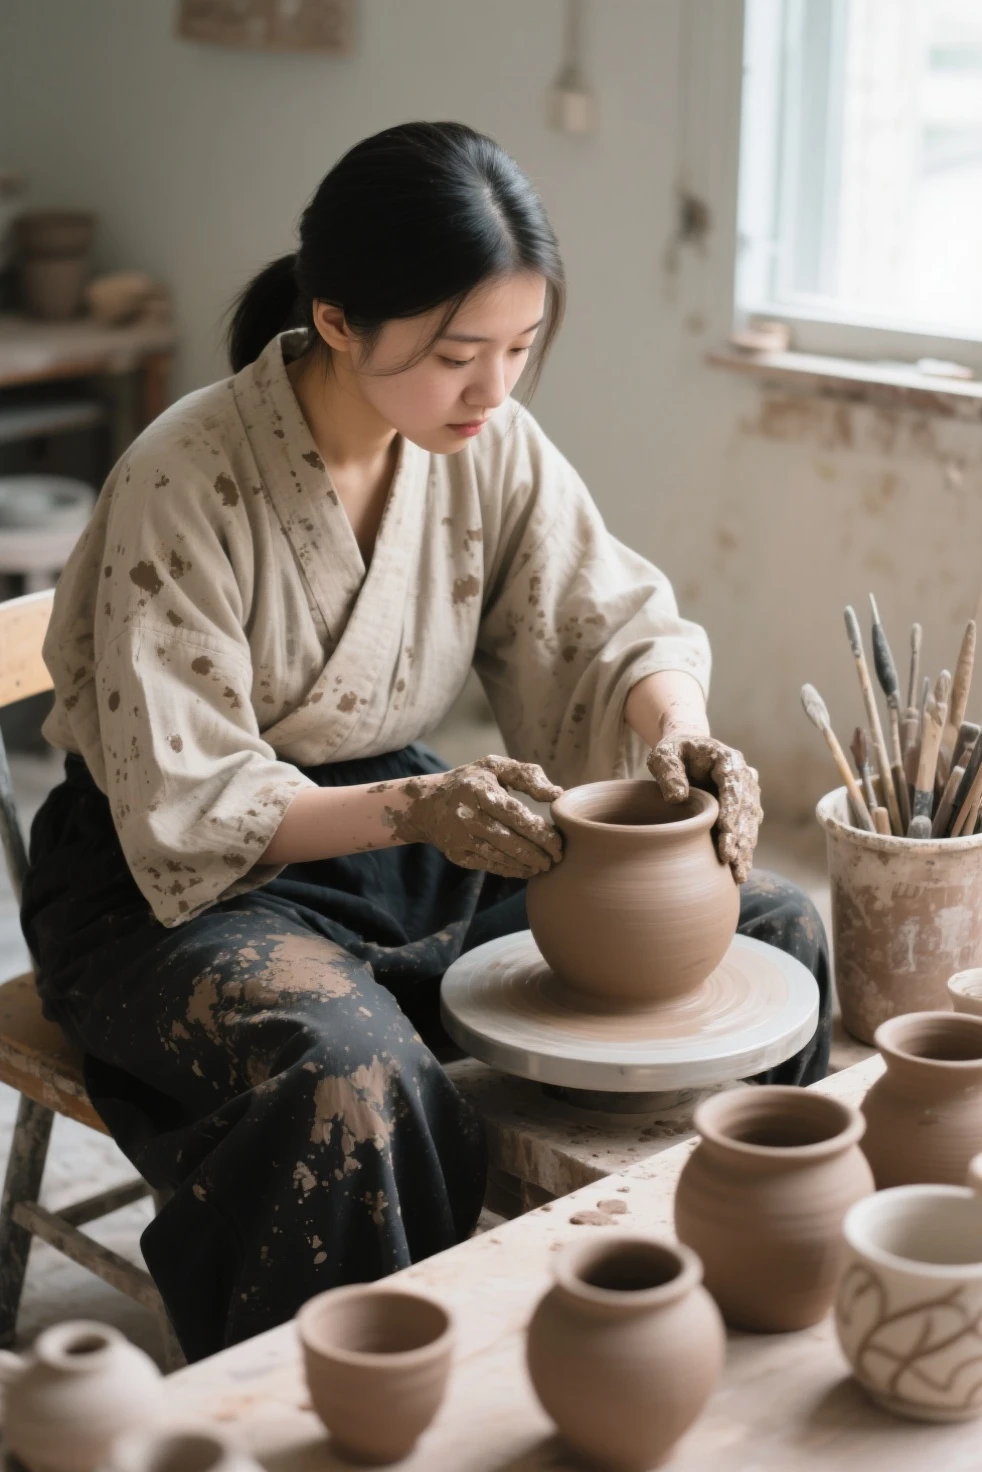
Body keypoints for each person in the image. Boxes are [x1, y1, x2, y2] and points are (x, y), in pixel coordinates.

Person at [21, 121, 829, 1362]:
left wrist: (685, 735)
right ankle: (356, 1399)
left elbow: (606, 620)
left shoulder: (486, 443)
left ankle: (693, 1324)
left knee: (772, 925)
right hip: (170, 883)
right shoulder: (180, 478)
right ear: (338, 320)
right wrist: (420, 810)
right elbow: (189, 803)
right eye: (459, 354)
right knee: (347, 1072)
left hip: (398, 828)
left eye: (518, 348)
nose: (494, 389)